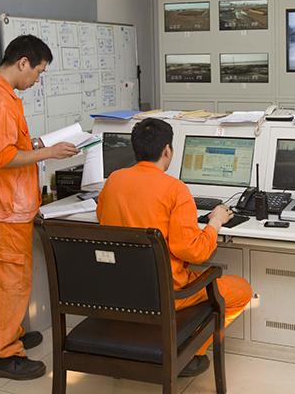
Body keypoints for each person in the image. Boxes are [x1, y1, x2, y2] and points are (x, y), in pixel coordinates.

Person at [96, 118, 252, 377]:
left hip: (121, 291)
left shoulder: (114, 180)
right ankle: (190, 353)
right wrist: (215, 222)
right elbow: (194, 251)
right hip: (166, 293)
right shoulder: (175, 190)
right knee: (241, 290)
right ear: (167, 150)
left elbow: (103, 218)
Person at [0, 34, 79, 380]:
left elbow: (8, 145)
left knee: (10, 279)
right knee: (8, 282)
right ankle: (4, 355)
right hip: (4, 208)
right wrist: (48, 153)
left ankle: (10, 334)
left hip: (7, 205)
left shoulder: (0, 94)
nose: (37, 79)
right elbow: (2, 157)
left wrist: (35, 144)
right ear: (23, 63)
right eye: (38, 72)